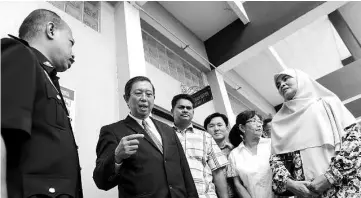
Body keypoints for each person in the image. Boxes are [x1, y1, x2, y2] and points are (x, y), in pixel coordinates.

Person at [1, 9, 82, 197]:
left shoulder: (46, 76)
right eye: (71, 42)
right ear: (51, 30)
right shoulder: (20, 54)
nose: (73, 53)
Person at [93, 76, 198, 198]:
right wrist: (116, 157)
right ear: (126, 98)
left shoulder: (168, 130)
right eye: (138, 93)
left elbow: (185, 171)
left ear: (153, 99)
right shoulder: (112, 131)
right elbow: (101, 181)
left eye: (149, 94)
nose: (144, 98)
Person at [270, 68, 361, 197]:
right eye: (278, 85)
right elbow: (275, 160)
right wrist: (290, 183)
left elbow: (354, 140)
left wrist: (330, 176)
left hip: (344, 189)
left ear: (301, 79)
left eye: (286, 79)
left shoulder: (328, 103)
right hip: (307, 194)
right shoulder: (278, 121)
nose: (282, 85)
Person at [171, 94, 229, 198]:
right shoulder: (164, 135)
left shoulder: (206, 137)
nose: (185, 110)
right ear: (172, 111)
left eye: (188, 108)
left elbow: (218, 172)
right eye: (181, 107)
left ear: (193, 112)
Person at [227, 110, 274, 198]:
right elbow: (237, 184)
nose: (259, 124)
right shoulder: (234, 155)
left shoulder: (271, 144)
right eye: (253, 121)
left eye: (260, 121)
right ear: (242, 128)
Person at [204, 113, 237, 198]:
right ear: (206, 131)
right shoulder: (203, 153)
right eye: (211, 126)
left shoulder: (235, 150)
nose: (216, 129)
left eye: (219, 125)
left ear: (227, 127)